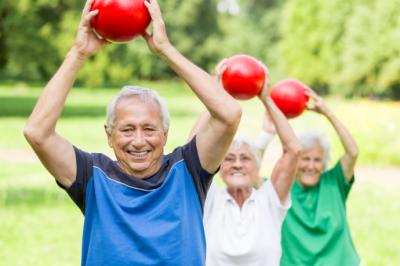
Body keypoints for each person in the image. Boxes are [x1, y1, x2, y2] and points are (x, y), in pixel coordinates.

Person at [23, 0, 242, 265]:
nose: (139, 141)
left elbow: (229, 113)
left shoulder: (189, 171)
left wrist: (165, 50)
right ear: (109, 134)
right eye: (127, 129)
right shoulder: (92, 176)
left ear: (164, 132)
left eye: (149, 129)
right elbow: (37, 132)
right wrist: (78, 53)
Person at [198, 61, 302, 266]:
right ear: (219, 168)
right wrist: (218, 93)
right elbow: (193, 148)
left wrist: (266, 99)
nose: (237, 164)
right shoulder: (209, 199)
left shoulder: (270, 200)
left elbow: (293, 150)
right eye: (229, 158)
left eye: (245, 158)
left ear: (257, 166)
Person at [280, 88, 360, 265]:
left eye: (317, 160)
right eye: (305, 159)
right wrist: (270, 128)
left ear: (324, 163)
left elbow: (352, 152)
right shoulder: (282, 188)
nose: (310, 165)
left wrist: (327, 113)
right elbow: (253, 176)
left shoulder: (334, 182)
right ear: (295, 161)